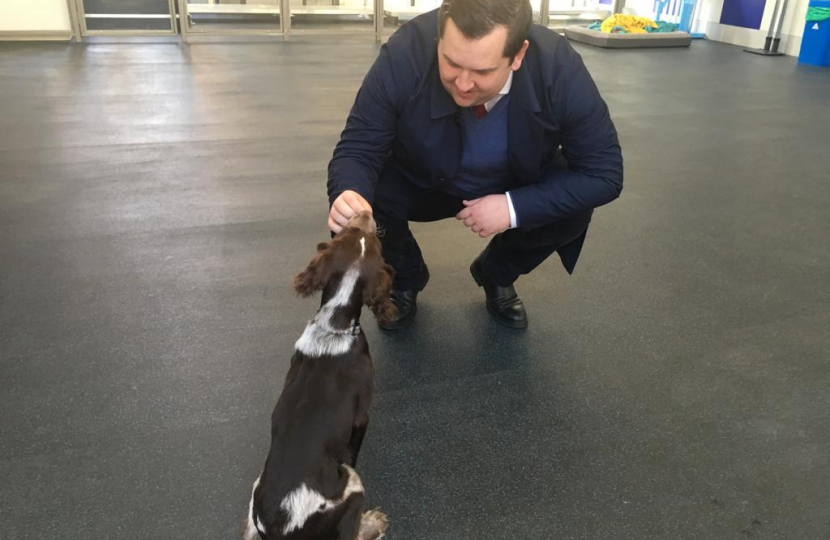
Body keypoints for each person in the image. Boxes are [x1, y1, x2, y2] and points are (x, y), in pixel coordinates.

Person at [326, 0, 623, 331]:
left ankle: (496, 272)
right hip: (422, 177)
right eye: (451, 63)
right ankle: (405, 278)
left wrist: (513, 208)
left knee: (572, 204)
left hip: (515, 179)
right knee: (368, 197)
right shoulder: (405, 51)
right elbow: (359, 146)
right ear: (439, 38)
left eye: (482, 71)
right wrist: (348, 194)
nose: (463, 84)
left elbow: (604, 172)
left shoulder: (558, 66)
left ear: (518, 55)